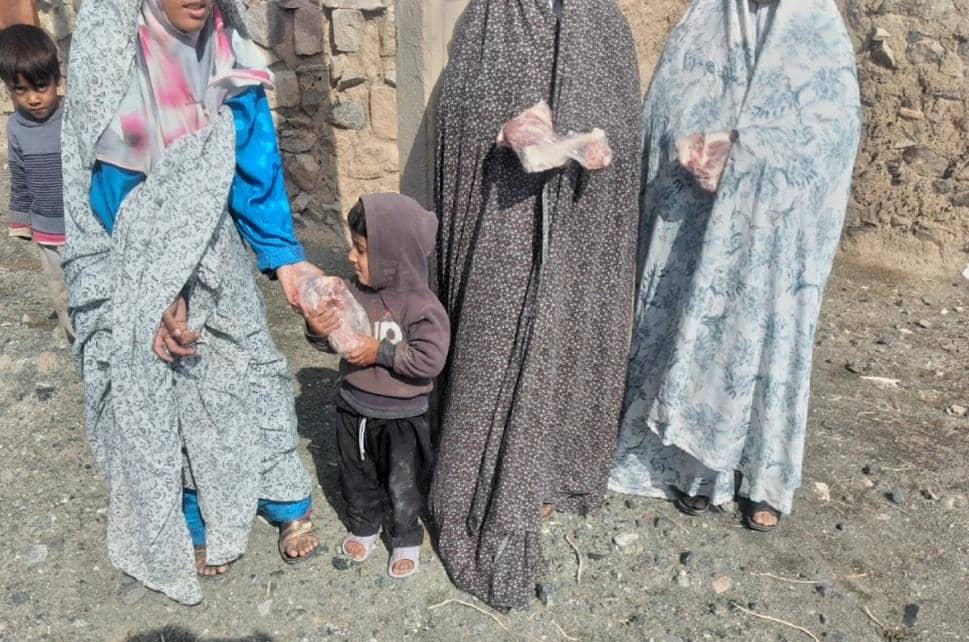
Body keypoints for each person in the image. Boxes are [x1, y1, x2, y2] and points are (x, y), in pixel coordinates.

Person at [61, 0, 319, 604]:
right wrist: (155, 290)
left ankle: (282, 495)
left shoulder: (227, 46)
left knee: (249, 361)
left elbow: (255, 162)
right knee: (161, 382)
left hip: (211, 240)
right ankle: (195, 511)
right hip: (128, 246)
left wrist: (283, 258)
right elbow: (101, 176)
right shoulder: (112, 47)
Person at [608, 0, 862, 532]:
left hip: (771, 236)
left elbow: (828, 141)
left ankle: (760, 480)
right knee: (689, 331)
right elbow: (667, 109)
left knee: (756, 340)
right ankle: (688, 471)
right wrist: (693, 151)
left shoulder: (817, 32)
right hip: (696, 228)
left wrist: (745, 158)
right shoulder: (705, 24)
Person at [430, 0, 642, 609]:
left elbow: (624, 124)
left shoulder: (605, 25)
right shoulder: (489, 20)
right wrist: (503, 131)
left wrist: (592, 142)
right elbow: (459, 121)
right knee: (492, 348)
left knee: (566, 342)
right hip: (505, 223)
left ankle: (551, 468)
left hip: (579, 227)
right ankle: (483, 479)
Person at [303, 194, 449, 579]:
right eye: (354, 247)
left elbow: (430, 361)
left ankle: (405, 535)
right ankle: (364, 524)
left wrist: (380, 353)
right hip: (353, 408)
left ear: (393, 255)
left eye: (362, 250)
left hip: (402, 417)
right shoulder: (352, 293)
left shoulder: (422, 306)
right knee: (356, 474)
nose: (352, 257)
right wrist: (319, 330)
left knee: (403, 482)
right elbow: (336, 338)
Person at [0, 23, 73, 341]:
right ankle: (76, 342)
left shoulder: (73, 117)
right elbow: (20, 176)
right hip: (48, 233)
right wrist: (21, 222)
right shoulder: (16, 128)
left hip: (83, 227)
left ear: (57, 79)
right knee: (62, 292)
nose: (33, 99)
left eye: (40, 86)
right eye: (20, 90)